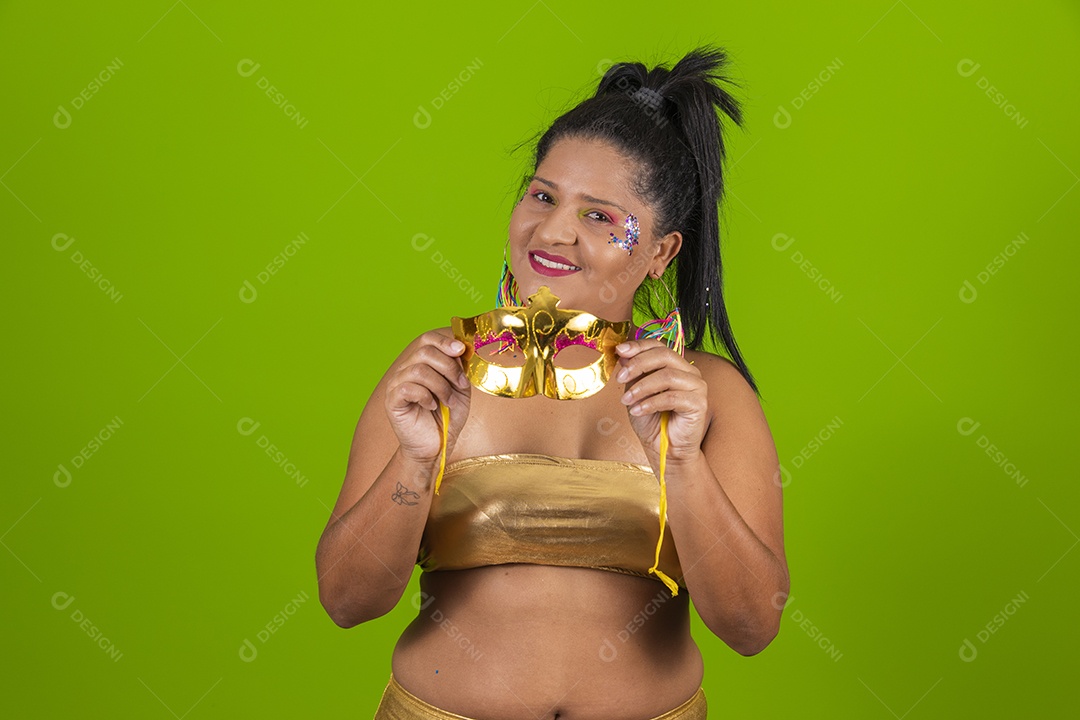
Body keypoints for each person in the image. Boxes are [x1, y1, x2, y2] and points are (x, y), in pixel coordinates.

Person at [315, 45, 789, 720]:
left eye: (599, 216)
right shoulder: (439, 370)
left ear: (660, 252)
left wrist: (681, 464)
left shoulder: (709, 398)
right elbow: (345, 601)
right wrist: (415, 461)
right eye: (542, 195)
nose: (553, 230)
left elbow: (752, 628)